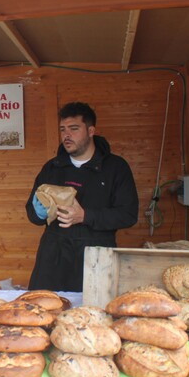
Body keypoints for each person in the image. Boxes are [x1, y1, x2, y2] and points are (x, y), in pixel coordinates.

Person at [26, 102, 138, 292]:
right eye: (63, 129)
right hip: (53, 255)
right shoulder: (52, 167)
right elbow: (32, 212)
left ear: (91, 130)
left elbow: (128, 215)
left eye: (74, 129)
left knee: (94, 314)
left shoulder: (115, 168)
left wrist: (85, 216)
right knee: (42, 310)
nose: (66, 135)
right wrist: (38, 213)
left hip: (96, 254)